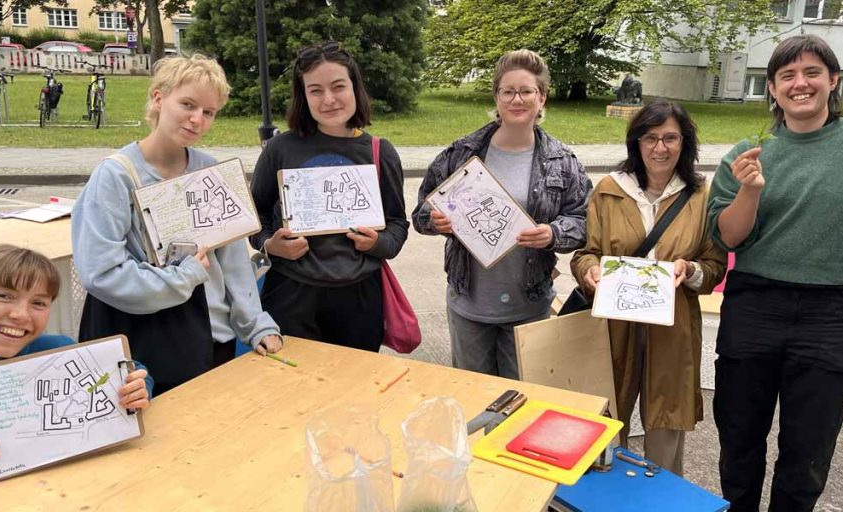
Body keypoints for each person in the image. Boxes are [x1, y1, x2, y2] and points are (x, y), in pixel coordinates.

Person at [708, 34, 843, 511]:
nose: (800, 83)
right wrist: (749, 190)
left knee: (808, 450)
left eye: (812, 73)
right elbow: (728, 238)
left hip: (835, 311)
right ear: (771, 88)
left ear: (833, 81)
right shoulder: (750, 152)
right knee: (739, 435)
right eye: (787, 75)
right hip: (755, 305)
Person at [73, 55, 282, 395]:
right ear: (158, 98)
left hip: (212, 336)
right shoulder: (115, 176)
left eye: (209, 112)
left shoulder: (210, 171)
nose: (197, 119)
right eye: (187, 104)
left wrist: (255, 325)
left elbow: (233, 262)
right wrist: (182, 277)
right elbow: (101, 272)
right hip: (141, 341)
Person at [0, 245, 153, 511]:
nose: (21, 315)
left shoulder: (54, 351)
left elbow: (126, 368)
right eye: (4, 295)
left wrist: (136, 389)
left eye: (38, 303)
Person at [570, 100, 727, 475]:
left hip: (673, 327)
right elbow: (585, 253)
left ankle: (660, 498)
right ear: (636, 144)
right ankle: (607, 500)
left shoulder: (702, 196)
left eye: (670, 138)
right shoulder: (610, 190)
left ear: (684, 143)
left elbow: (714, 267)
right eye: (651, 138)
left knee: (666, 424)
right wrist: (590, 271)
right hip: (613, 325)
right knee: (606, 418)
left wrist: (689, 270)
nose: (660, 148)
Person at [413, 49, 590, 379]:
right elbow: (421, 213)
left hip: (530, 305)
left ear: (542, 98)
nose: (517, 99)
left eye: (526, 91)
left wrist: (553, 233)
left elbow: (584, 220)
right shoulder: (461, 154)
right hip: (470, 303)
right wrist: (434, 221)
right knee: (475, 401)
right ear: (496, 97)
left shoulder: (563, 162)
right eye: (507, 91)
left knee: (521, 404)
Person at [249, 41, 409, 352]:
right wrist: (271, 245)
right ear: (303, 95)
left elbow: (397, 224)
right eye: (315, 90)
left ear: (355, 87)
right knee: (294, 390)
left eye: (338, 86)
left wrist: (378, 244)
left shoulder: (379, 151)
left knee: (354, 389)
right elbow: (254, 214)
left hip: (360, 296)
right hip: (291, 293)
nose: (329, 99)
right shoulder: (281, 149)